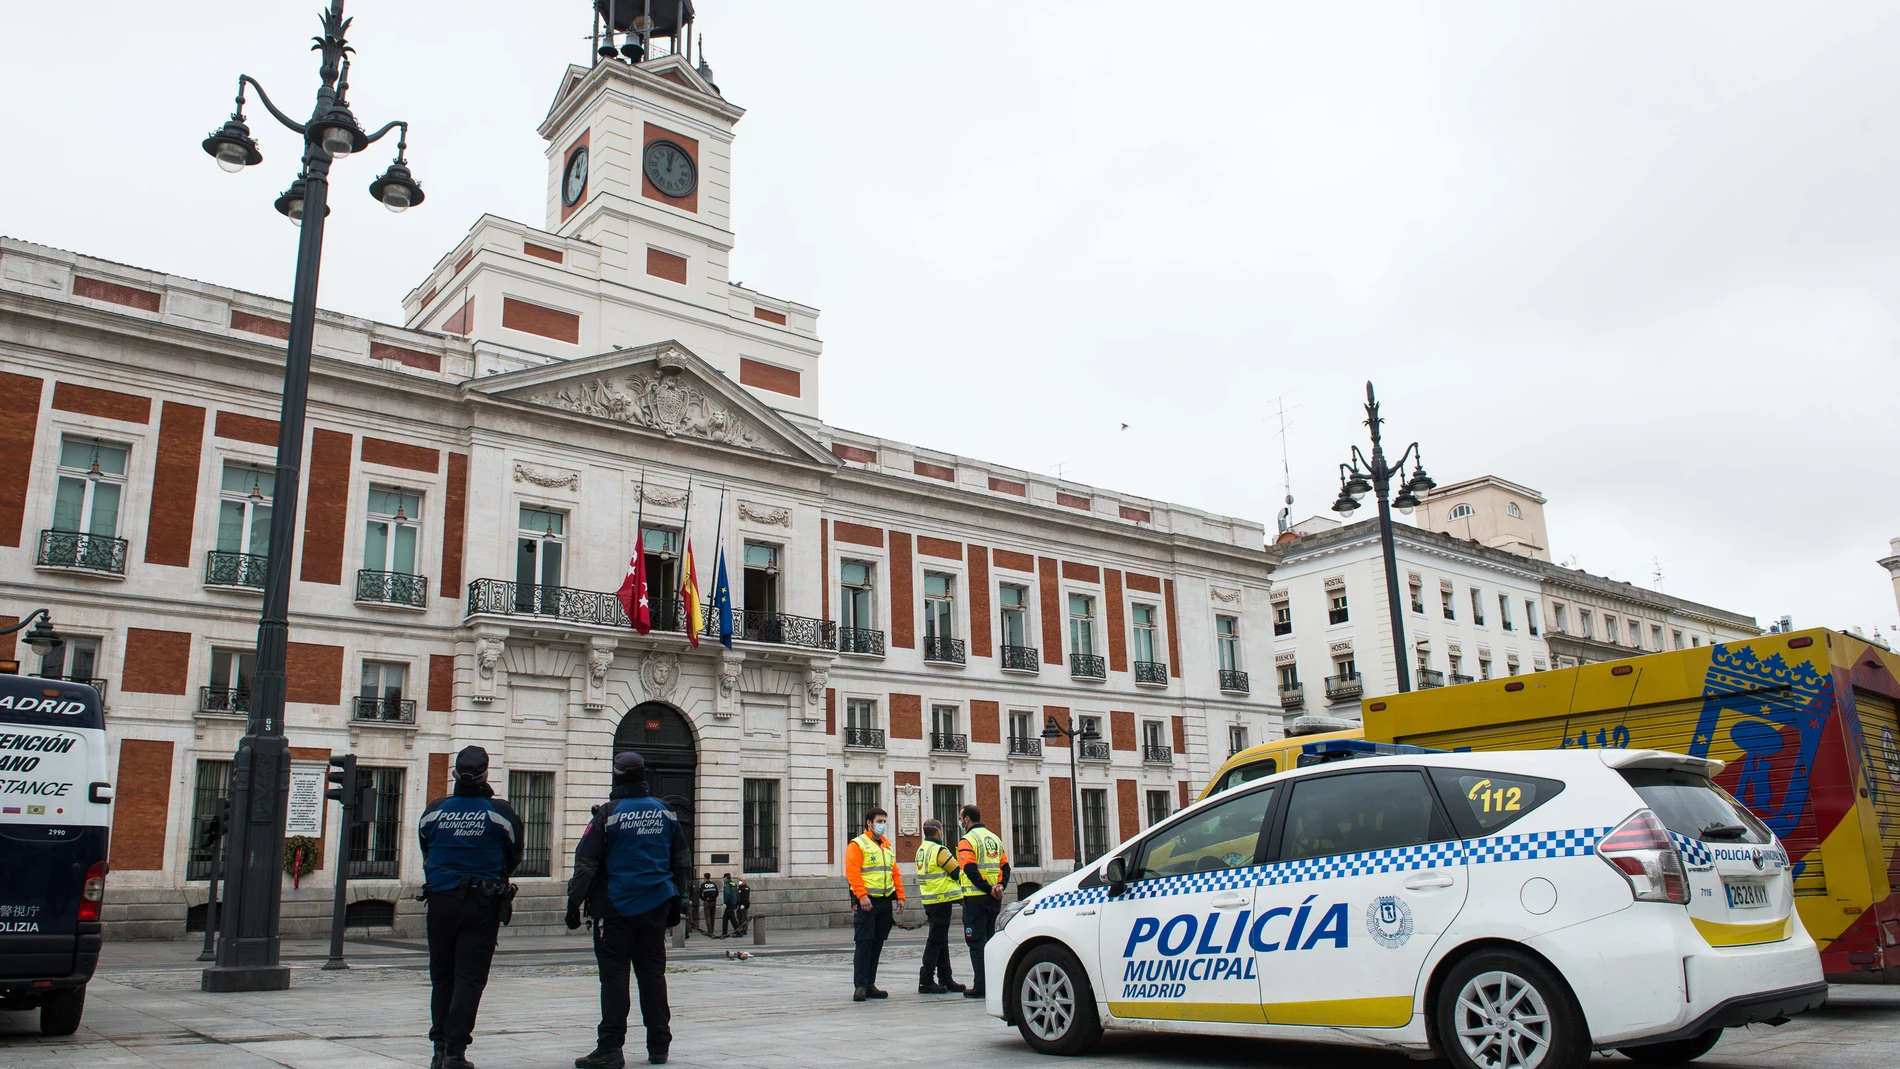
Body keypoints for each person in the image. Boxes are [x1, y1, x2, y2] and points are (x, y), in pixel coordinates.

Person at [566, 751, 693, 1068]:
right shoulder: (665, 812)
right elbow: (681, 861)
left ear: (617, 775)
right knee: (653, 976)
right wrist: (678, 901)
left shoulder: (608, 814)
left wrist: (573, 903)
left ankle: (610, 1047)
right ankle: (659, 1045)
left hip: (615, 907)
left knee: (614, 978)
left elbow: (586, 864)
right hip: (656, 905)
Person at [417, 746, 525, 1069]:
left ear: (455, 775)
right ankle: (455, 1051)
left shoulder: (434, 812)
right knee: (469, 978)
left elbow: (426, 847)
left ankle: (439, 1047)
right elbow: (515, 854)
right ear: (485, 775)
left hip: (439, 902)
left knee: (443, 977)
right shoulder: (501, 814)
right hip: (481, 904)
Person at [845, 807, 905, 1002]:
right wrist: (861, 896)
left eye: (885, 822)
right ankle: (860, 986)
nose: (882, 825)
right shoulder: (857, 844)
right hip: (867, 903)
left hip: (884, 902)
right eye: (879, 821)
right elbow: (853, 872)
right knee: (864, 944)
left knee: (877, 944)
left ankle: (870, 983)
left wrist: (900, 896)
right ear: (869, 823)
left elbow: (894, 872)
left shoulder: (886, 846)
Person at [955, 803, 1010, 1000]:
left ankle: (980, 985)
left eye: (961, 819)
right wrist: (1000, 886)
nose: (961, 822)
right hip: (994, 899)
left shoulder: (967, 840)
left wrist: (988, 888)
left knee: (976, 943)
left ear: (967, 819)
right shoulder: (994, 838)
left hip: (975, 899)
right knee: (991, 941)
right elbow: (1005, 866)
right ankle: (994, 983)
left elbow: (969, 869)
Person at [913, 818, 967, 994]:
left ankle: (946, 978)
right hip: (942, 900)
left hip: (929, 900)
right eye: (941, 830)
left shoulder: (921, 850)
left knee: (941, 941)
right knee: (936, 941)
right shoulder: (939, 850)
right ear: (938, 831)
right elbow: (956, 871)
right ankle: (926, 979)